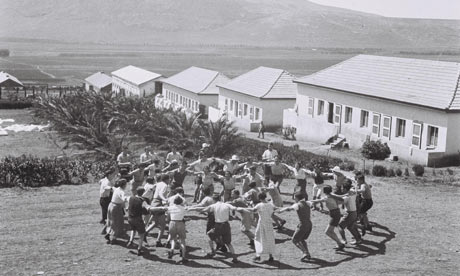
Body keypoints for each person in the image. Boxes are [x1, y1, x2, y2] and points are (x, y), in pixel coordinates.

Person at [197, 194, 239, 263]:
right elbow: (234, 208)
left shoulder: (214, 205)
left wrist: (192, 209)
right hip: (226, 225)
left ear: (214, 200)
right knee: (228, 243)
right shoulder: (226, 205)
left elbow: (203, 209)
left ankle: (213, 251)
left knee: (209, 236)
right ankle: (234, 258)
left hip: (218, 225)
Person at [238, 192, 276, 263]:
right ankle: (270, 256)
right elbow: (275, 209)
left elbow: (252, 210)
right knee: (269, 238)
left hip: (261, 224)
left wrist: (242, 208)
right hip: (269, 224)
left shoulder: (260, 205)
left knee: (258, 238)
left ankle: (258, 256)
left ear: (259, 198)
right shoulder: (271, 204)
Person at [149, 196, 189, 263]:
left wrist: (151, 208)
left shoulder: (170, 208)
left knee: (173, 239)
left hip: (172, 223)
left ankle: (172, 249)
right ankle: (183, 257)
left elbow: (161, 209)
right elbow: (189, 211)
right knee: (182, 240)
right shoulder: (183, 208)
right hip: (180, 223)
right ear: (181, 202)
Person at [277, 193, 313, 261]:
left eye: (294, 198)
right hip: (309, 224)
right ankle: (307, 253)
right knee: (302, 239)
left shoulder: (297, 205)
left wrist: (281, 210)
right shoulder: (308, 203)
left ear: (296, 198)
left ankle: (305, 253)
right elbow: (313, 203)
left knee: (294, 240)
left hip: (302, 225)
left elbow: (289, 208)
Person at [310, 185, 346, 250]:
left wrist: (310, 201)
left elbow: (319, 200)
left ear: (324, 191)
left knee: (327, 232)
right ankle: (339, 244)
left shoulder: (327, 198)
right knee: (331, 231)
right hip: (336, 213)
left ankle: (340, 244)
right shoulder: (332, 195)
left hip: (335, 215)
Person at [145, 174, 169, 247]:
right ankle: (158, 241)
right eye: (169, 179)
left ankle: (144, 233)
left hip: (153, 202)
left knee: (155, 223)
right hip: (158, 203)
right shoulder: (165, 185)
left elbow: (151, 189)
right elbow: (161, 193)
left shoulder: (158, 184)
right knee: (163, 225)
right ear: (166, 179)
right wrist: (165, 199)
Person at [105, 179, 129, 244]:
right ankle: (113, 238)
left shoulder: (117, 189)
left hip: (111, 205)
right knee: (117, 222)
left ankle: (108, 233)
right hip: (116, 207)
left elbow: (112, 188)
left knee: (110, 220)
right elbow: (124, 198)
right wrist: (129, 199)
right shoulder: (122, 192)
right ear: (124, 185)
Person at [127, 187, 149, 256]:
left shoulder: (130, 198)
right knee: (142, 234)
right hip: (138, 219)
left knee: (133, 229)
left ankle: (131, 240)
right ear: (143, 193)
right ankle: (139, 249)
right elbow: (147, 209)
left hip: (130, 218)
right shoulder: (142, 200)